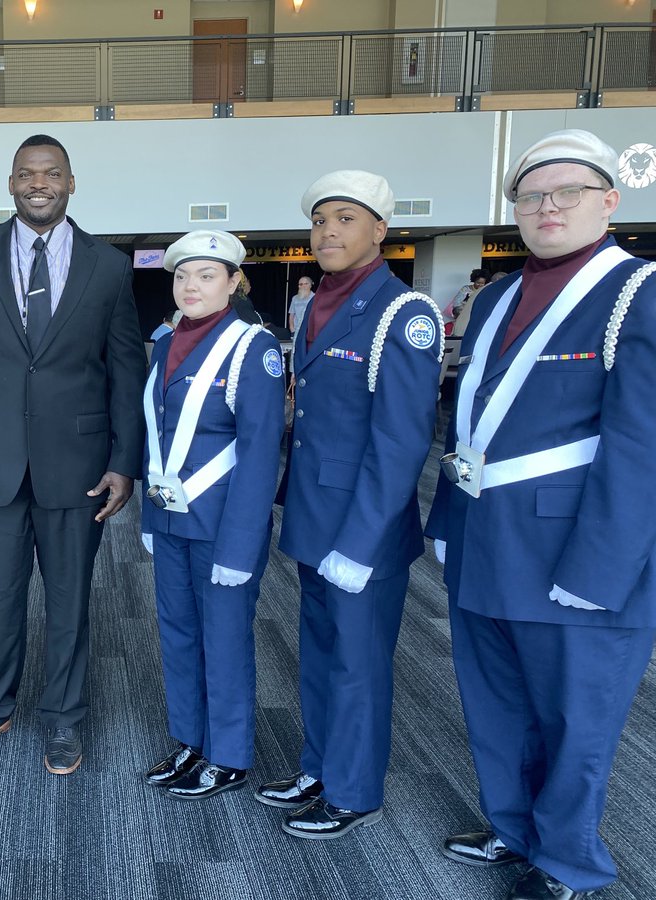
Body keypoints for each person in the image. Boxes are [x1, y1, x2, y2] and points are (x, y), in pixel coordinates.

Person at [426, 129, 656, 900]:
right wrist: (451, 527)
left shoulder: (639, 291)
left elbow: (641, 448)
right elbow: (473, 426)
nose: (548, 207)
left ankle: (567, 862)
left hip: (577, 550)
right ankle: (513, 827)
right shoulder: (493, 299)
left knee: (574, 721)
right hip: (488, 535)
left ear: (609, 202)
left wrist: (604, 571)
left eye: (567, 193)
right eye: (532, 195)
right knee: (497, 704)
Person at [0, 133, 147, 775]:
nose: (38, 183)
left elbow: (125, 371)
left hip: (78, 466)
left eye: (51, 172)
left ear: (71, 182)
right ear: (11, 183)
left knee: (71, 601)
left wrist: (124, 461)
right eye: (26, 173)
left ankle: (65, 720)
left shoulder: (108, 266)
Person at [260, 170, 443, 838]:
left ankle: (355, 789)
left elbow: (400, 441)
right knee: (319, 651)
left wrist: (360, 544)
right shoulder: (316, 306)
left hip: (364, 528)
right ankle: (320, 765)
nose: (328, 231)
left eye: (344, 218)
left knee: (359, 662)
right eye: (319, 220)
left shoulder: (404, 313)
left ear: (379, 231)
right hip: (314, 514)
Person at [139, 231, 284, 800]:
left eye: (206, 275)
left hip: (224, 523)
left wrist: (241, 545)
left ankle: (228, 754)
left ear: (233, 282)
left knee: (223, 638)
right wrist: (152, 521)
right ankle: (192, 740)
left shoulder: (254, 347)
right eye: (182, 276)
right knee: (178, 634)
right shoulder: (165, 342)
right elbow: (158, 434)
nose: (191, 286)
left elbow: (259, 450)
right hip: (172, 518)